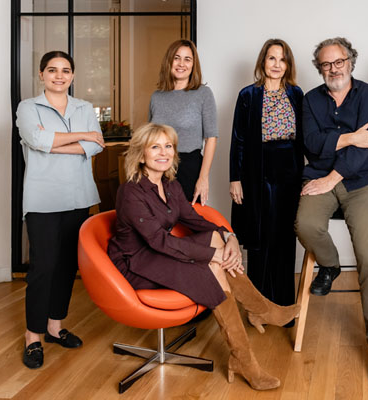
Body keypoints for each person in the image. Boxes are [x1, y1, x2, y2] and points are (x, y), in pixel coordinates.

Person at [108, 123, 300, 390]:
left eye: (168, 146)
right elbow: (159, 241)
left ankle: (258, 313)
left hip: (160, 252)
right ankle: (246, 354)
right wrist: (215, 256)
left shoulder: (170, 185)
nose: (164, 152)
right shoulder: (130, 192)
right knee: (214, 265)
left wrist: (229, 237)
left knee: (214, 240)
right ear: (141, 155)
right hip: (137, 263)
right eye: (155, 147)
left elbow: (194, 220)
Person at [294, 37, 368, 386]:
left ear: (350, 61)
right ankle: (331, 265)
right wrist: (350, 137)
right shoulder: (310, 99)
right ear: (319, 68)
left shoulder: (367, 94)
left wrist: (332, 175)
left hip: (361, 182)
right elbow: (310, 143)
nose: (333, 69)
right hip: (319, 178)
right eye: (326, 64)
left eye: (339, 62)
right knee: (305, 224)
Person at [16, 51, 105, 369]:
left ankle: (55, 327)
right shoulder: (28, 107)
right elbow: (36, 139)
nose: (59, 76)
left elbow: (96, 145)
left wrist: (54, 144)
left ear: (72, 75)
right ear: (41, 74)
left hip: (78, 197)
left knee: (67, 265)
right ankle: (33, 336)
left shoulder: (84, 107)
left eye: (65, 70)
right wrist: (81, 136)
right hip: (43, 199)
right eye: (52, 70)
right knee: (43, 266)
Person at [229, 39, 304, 311]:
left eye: (282, 59)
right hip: (256, 170)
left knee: (284, 236)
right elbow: (238, 140)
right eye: (272, 58)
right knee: (259, 236)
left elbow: (304, 138)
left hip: (289, 171)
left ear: (288, 65)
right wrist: (235, 178)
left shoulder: (296, 94)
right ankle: (258, 307)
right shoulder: (248, 95)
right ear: (263, 62)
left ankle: (283, 304)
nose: (276, 64)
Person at [149, 39, 217, 205]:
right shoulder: (157, 96)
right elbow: (150, 139)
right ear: (169, 61)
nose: (181, 64)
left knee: (188, 218)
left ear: (193, 65)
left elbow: (211, 138)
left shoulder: (203, 94)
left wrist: (203, 178)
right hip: (158, 168)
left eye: (187, 59)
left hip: (188, 169)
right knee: (157, 218)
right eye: (177, 58)